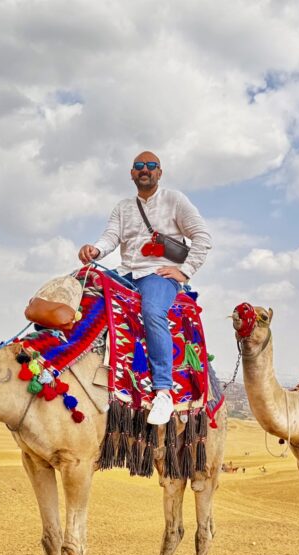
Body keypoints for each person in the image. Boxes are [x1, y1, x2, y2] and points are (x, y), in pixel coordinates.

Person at [78, 151, 212, 425]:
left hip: (159, 274)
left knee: (152, 312)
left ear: (160, 173)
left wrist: (184, 271)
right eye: (139, 166)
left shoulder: (174, 200)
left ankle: (164, 391)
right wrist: (96, 250)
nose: (145, 170)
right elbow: (110, 237)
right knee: (79, 283)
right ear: (131, 173)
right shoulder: (123, 207)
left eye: (151, 166)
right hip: (127, 273)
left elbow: (202, 236)